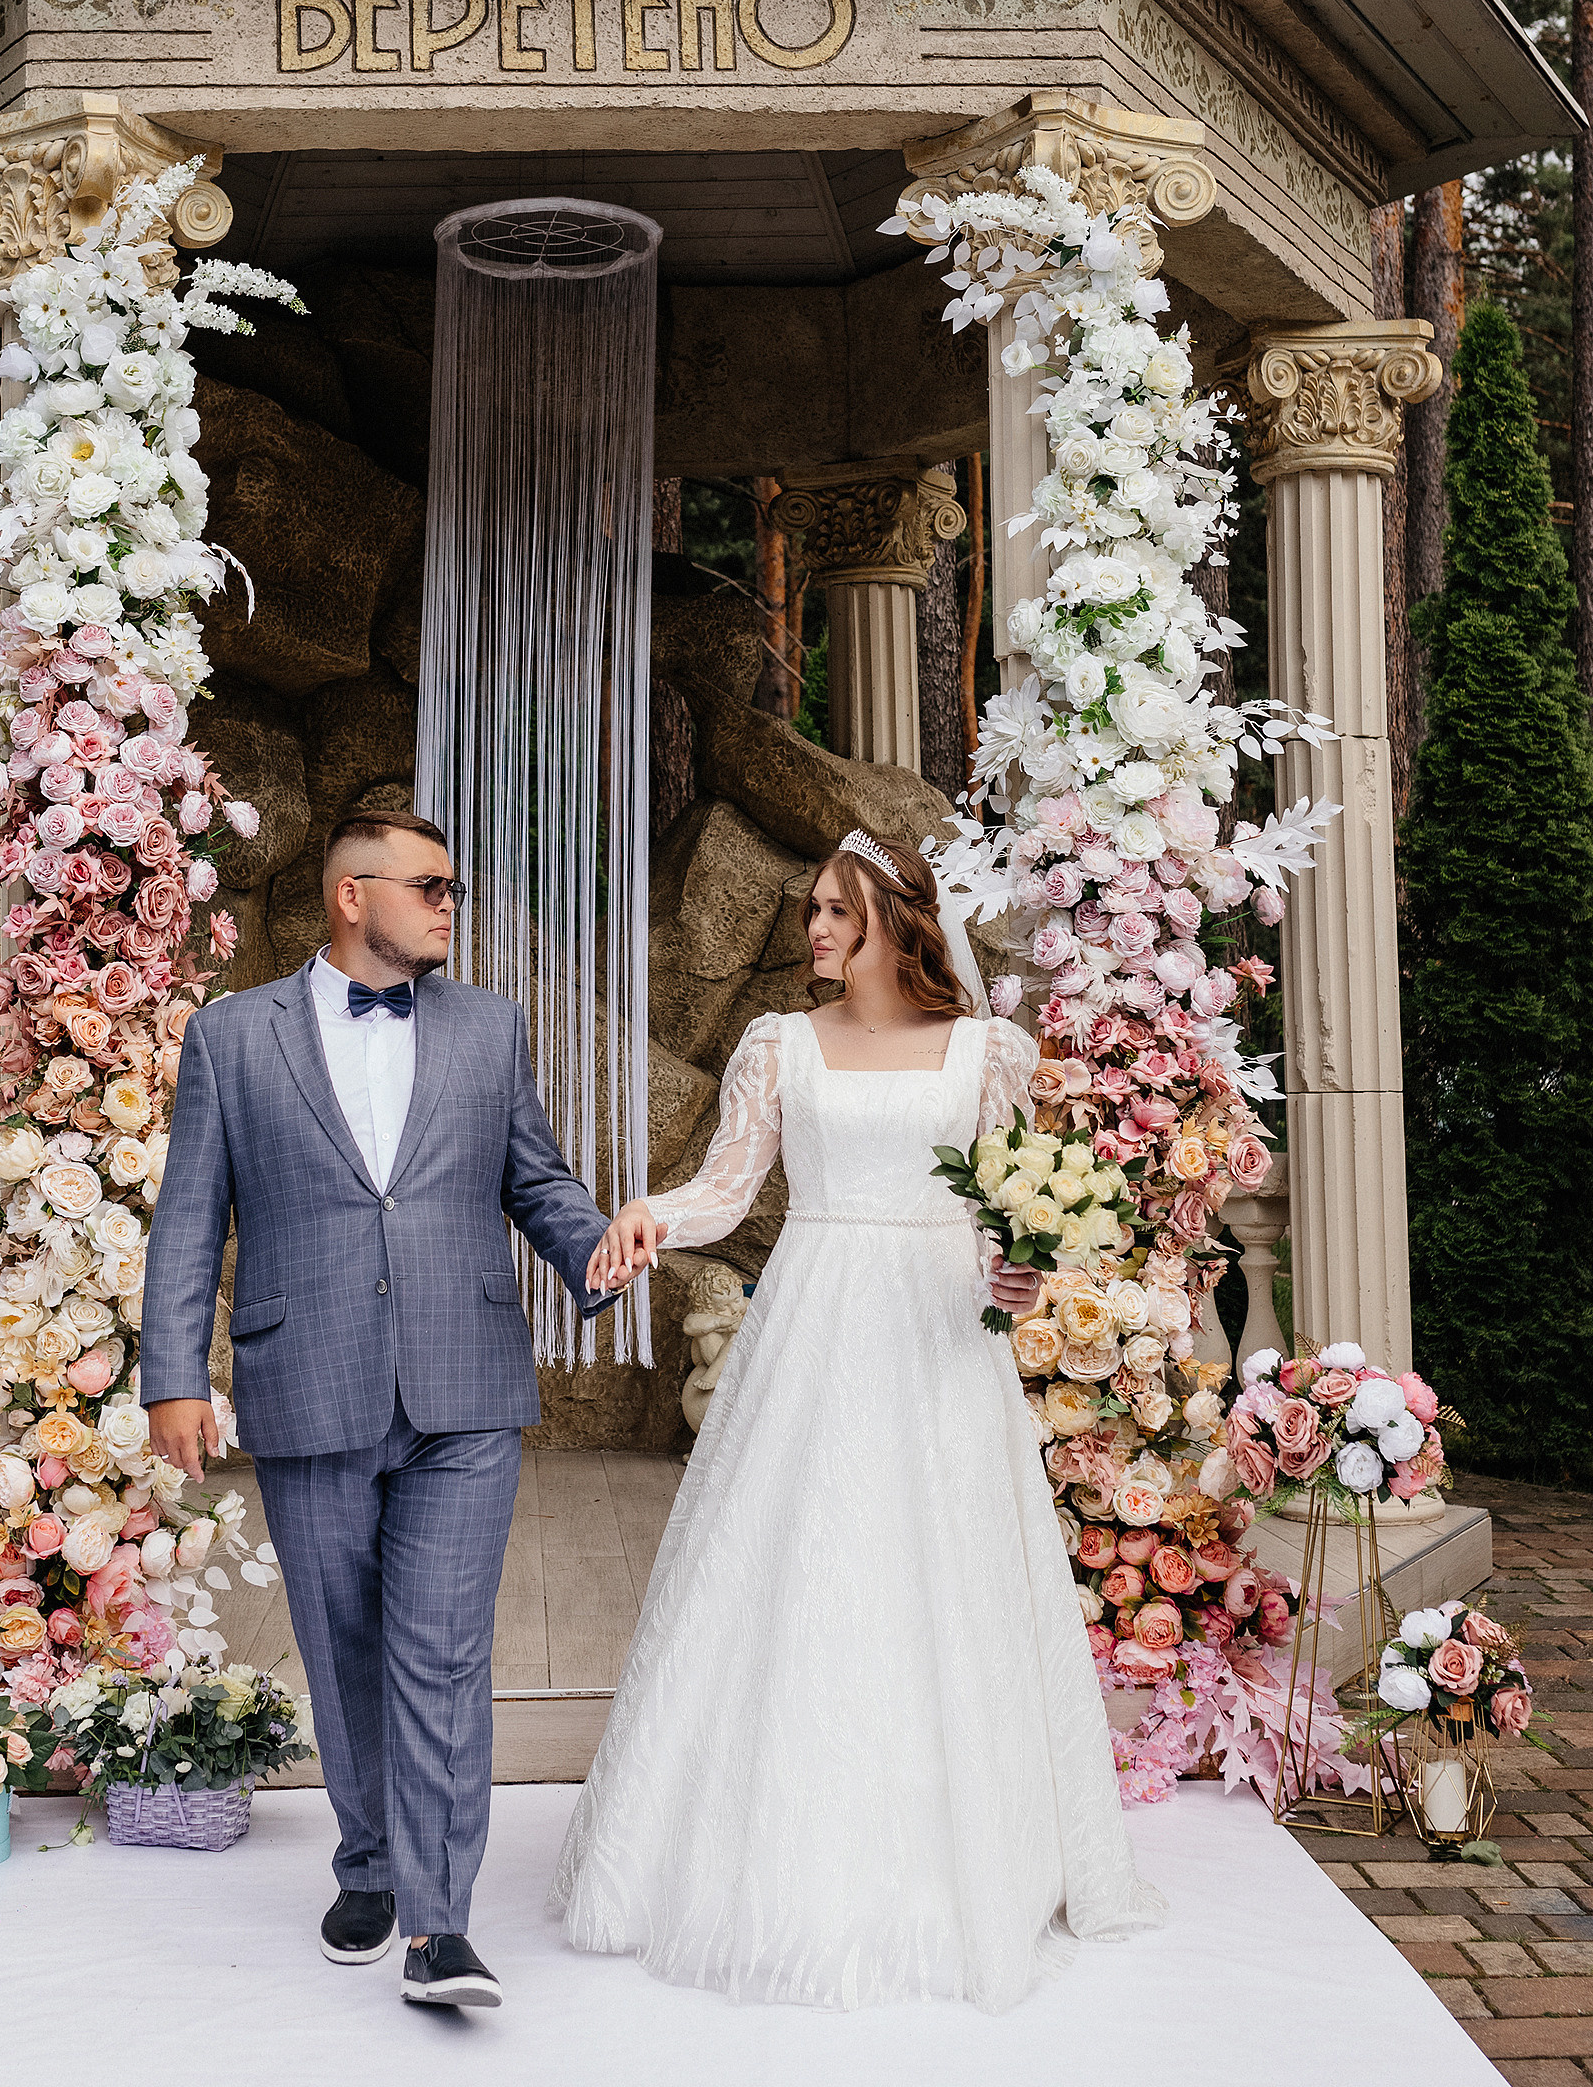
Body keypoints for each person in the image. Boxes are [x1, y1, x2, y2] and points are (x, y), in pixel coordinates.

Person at [553, 831, 1165, 2013]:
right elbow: (729, 1187)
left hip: (938, 1330)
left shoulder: (988, 1051)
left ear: (896, 916)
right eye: (811, 913)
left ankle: (974, 1853)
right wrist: (645, 1217)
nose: (816, 929)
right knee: (799, 1563)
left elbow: (1005, 1213)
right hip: (817, 1319)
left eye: (836, 910)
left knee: (947, 1573)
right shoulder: (779, 1045)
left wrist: (1022, 1276)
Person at [141, 807, 625, 2012]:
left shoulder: (488, 1028)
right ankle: (365, 1862)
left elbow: (537, 1175)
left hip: (463, 1380)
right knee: (344, 1645)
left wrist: (591, 1251)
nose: (450, 904)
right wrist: (172, 1377)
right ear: (351, 896)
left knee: (443, 1653)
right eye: (430, 886)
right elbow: (191, 1217)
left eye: (451, 885)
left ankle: (439, 1928)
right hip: (308, 1377)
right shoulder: (230, 1036)